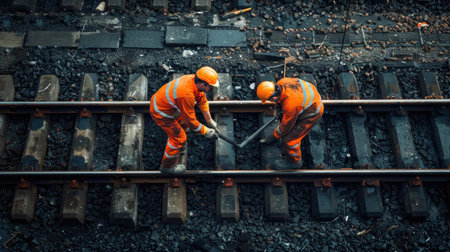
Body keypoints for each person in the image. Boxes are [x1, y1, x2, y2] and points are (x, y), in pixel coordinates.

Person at [150, 66, 220, 174]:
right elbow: (191, 123)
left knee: (184, 127)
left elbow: (202, 100)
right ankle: (167, 167)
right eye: (210, 87)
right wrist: (206, 131)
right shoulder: (186, 95)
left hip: (169, 107)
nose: (210, 89)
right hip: (162, 113)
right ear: (203, 84)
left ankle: (178, 149)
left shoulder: (193, 80)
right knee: (179, 138)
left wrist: (209, 120)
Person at [257, 78, 324, 169]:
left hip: (313, 113)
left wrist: (274, 136)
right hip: (309, 97)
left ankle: (295, 162)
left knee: (290, 140)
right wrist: (279, 109)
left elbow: (286, 126)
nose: (271, 101)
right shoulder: (282, 82)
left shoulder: (291, 104)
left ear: (274, 97)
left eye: (270, 100)